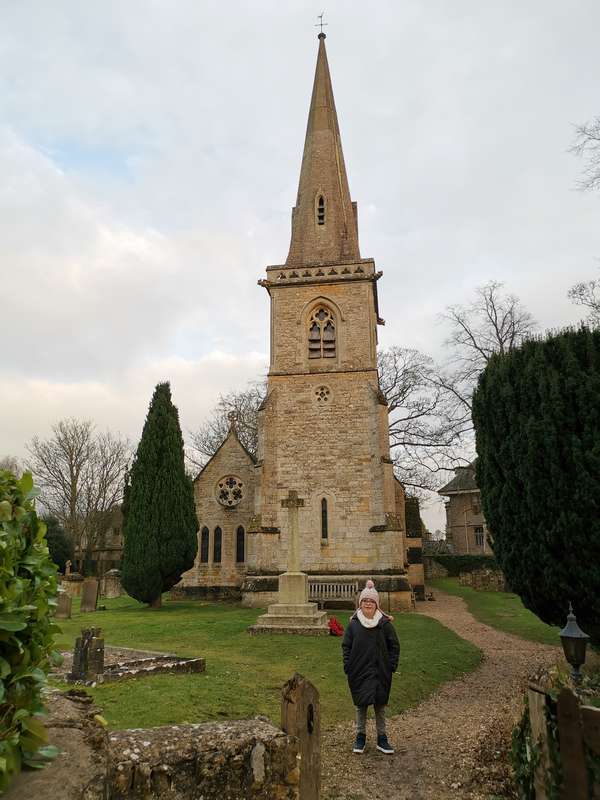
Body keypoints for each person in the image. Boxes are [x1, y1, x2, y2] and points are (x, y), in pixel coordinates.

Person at [341, 579, 400, 754]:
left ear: (377, 605)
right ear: (360, 604)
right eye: (365, 601)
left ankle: (382, 738)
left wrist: (391, 665)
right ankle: (360, 737)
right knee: (361, 705)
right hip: (358, 671)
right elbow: (346, 646)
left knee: (380, 705)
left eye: (371, 601)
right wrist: (348, 666)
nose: (368, 603)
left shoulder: (385, 624)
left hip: (380, 671)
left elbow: (394, 646)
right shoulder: (354, 624)